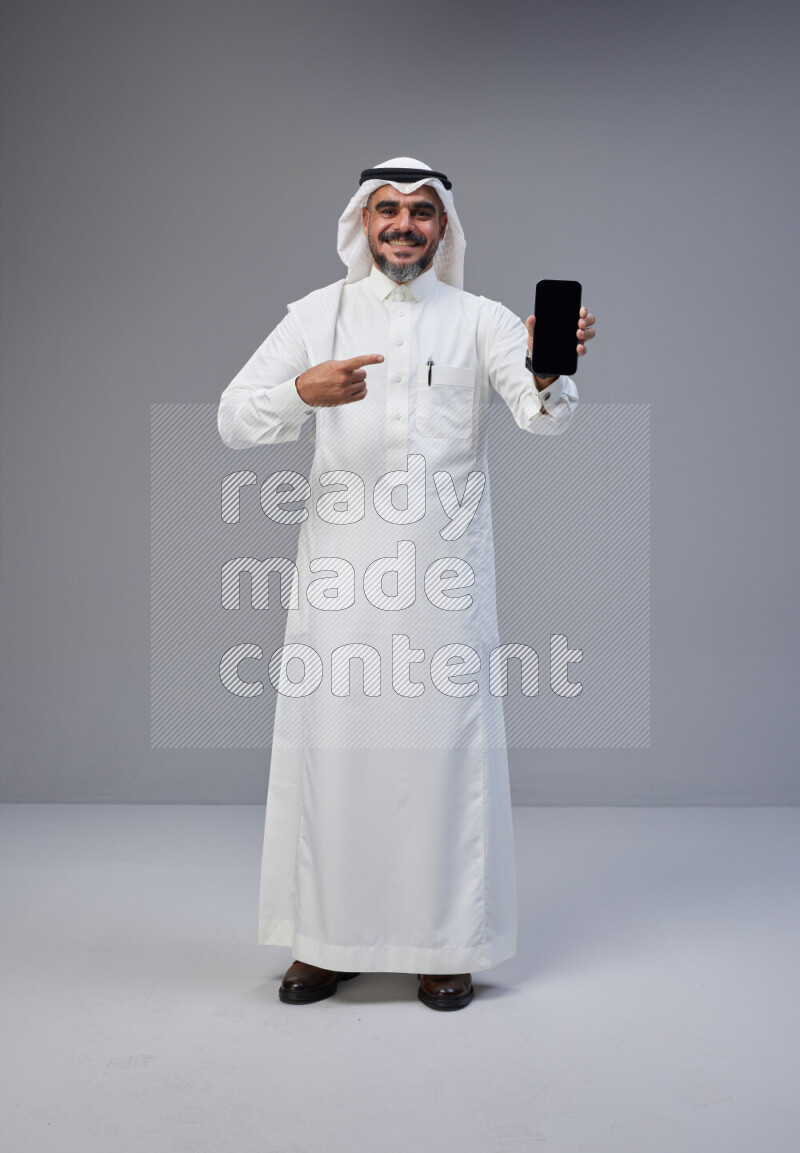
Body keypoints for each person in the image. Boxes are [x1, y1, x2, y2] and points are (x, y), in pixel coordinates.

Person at [217, 157, 596, 1011]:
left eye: (421, 213)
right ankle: (324, 944)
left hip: (443, 587)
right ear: (361, 221)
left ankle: (443, 945)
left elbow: (544, 416)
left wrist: (546, 370)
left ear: (444, 228)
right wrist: (299, 395)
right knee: (337, 757)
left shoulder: (482, 320)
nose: (403, 226)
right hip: (341, 586)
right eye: (387, 210)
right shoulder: (317, 315)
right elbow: (233, 417)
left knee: (440, 763)